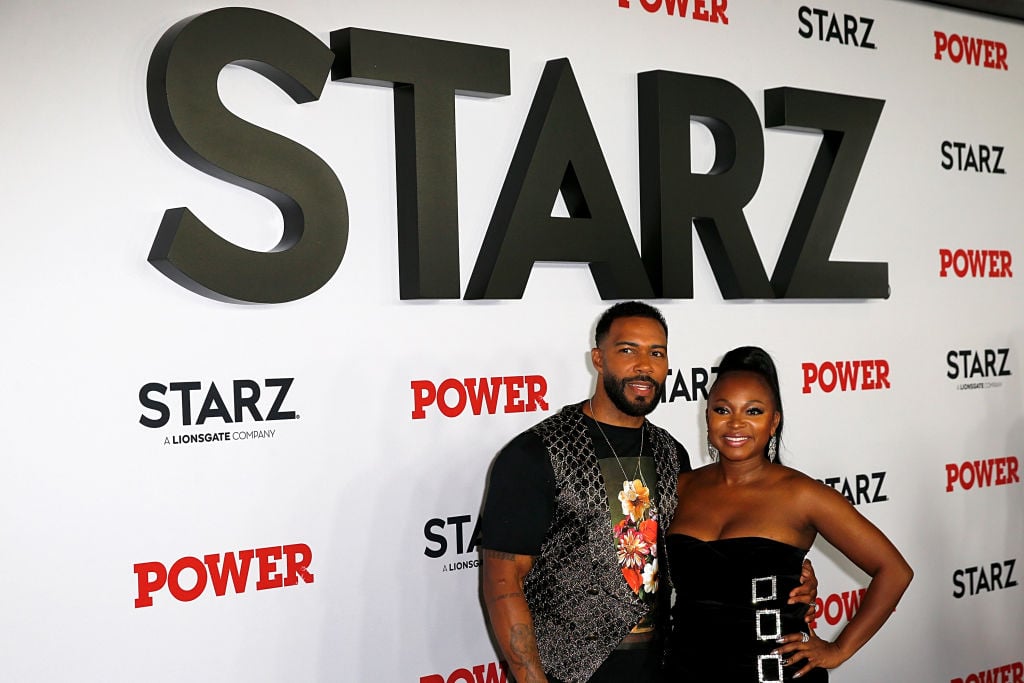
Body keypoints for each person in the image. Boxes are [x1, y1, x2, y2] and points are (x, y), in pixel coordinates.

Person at [479, 304, 817, 683]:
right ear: (598, 359)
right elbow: (502, 582)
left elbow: (706, 551)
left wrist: (787, 572)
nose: (644, 365)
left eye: (656, 352)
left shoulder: (672, 454)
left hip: (668, 669)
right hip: (570, 674)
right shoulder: (536, 453)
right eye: (628, 350)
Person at [664, 346, 913, 682]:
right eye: (722, 409)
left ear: (773, 421)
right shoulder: (680, 487)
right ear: (707, 416)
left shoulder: (802, 494)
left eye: (753, 411)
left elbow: (894, 571)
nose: (736, 423)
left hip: (774, 675)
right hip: (685, 672)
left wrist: (838, 650)